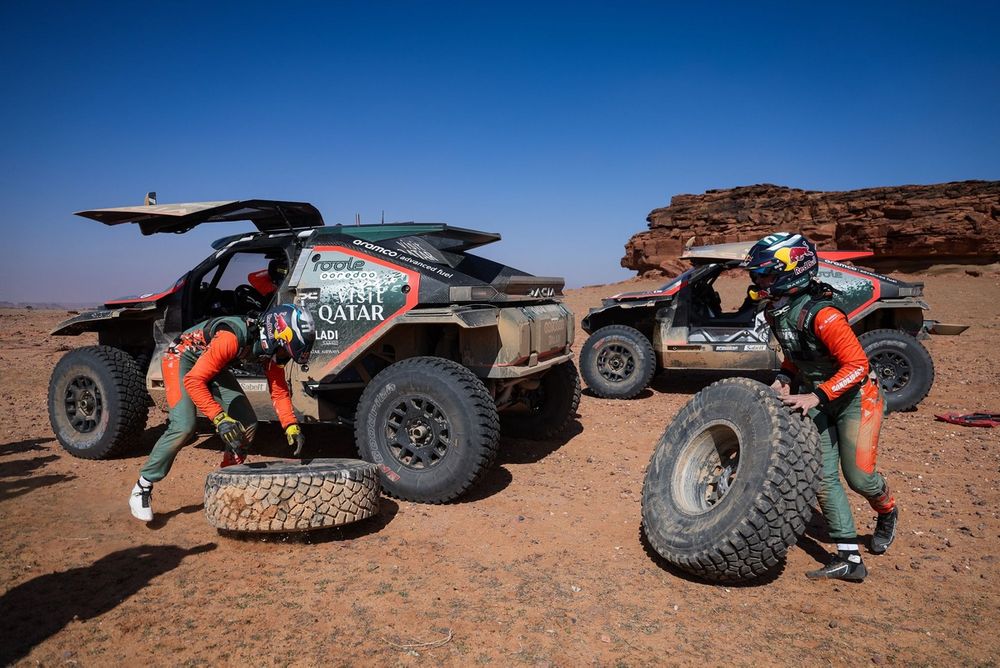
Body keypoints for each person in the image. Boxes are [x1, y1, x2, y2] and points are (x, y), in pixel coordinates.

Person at [741, 232, 898, 581]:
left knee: (860, 478)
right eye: (757, 275)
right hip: (821, 397)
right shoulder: (777, 312)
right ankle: (850, 560)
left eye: (765, 274)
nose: (759, 282)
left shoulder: (824, 314)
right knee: (823, 478)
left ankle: (887, 510)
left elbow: (856, 365)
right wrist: (784, 377)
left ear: (790, 271)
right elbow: (798, 357)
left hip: (857, 398)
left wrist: (816, 396)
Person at [128, 303, 316, 522]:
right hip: (182, 358)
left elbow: (279, 391)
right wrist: (220, 418)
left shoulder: (271, 350)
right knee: (184, 426)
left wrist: (291, 425)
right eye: (285, 349)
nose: (284, 356)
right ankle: (142, 487)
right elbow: (194, 380)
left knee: (246, 423)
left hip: (211, 364)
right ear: (277, 334)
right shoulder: (232, 337)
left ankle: (225, 484)